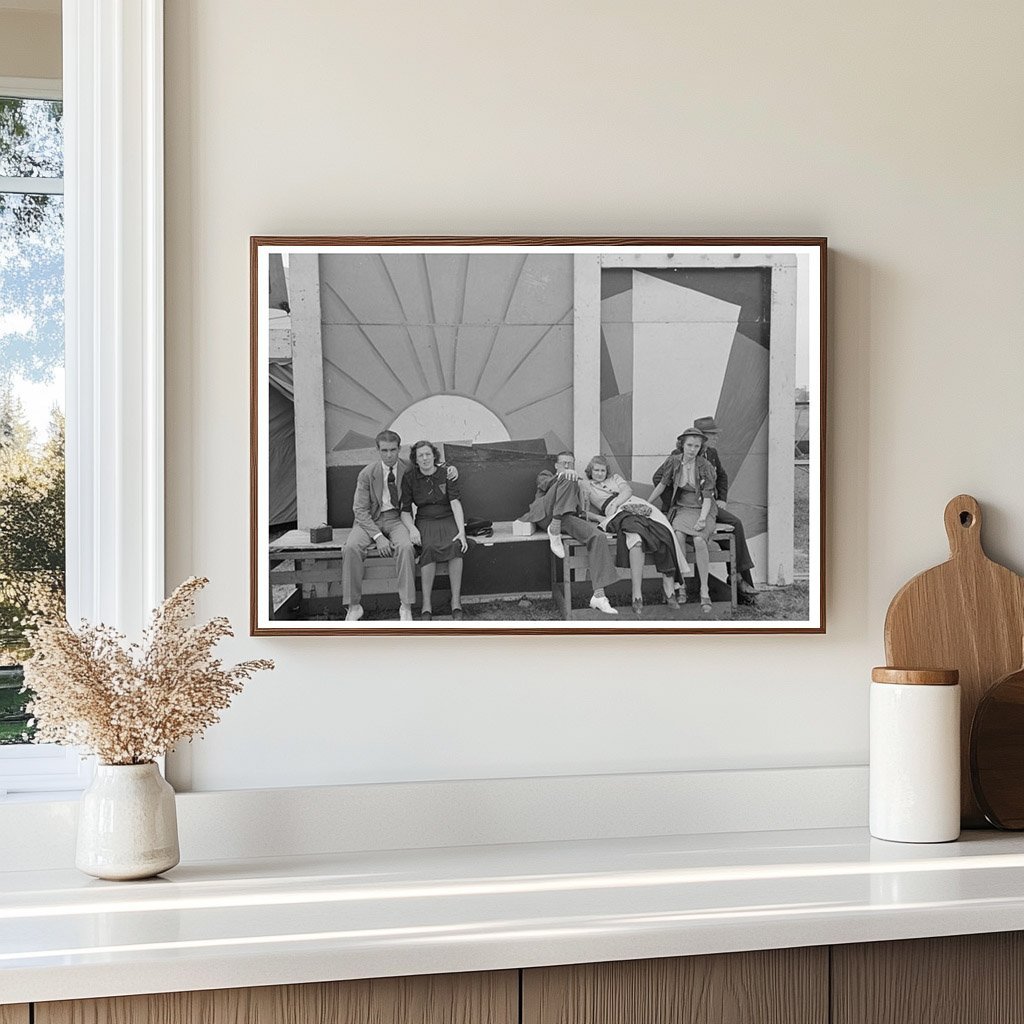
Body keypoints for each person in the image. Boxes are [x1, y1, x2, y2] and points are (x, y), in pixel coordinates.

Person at [343, 430, 457, 622]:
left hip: (397, 518)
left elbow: (428, 463)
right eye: (385, 450)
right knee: (351, 548)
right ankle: (354, 606)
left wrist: (451, 468)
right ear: (378, 450)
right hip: (369, 521)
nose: (389, 455)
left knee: (406, 548)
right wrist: (378, 537)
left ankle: (405, 606)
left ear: (399, 449)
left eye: (393, 450)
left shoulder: (408, 468)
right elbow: (360, 510)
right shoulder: (367, 474)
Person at [653, 415, 757, 599]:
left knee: (736, 524)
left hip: (708, 505)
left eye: (714, 435)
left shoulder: (712, 454)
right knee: (690, 534)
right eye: (712, 434)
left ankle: (740, 578)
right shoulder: (676, 457)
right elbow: (659, 479)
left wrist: (722, 498)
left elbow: (722, 477)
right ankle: (688, 585)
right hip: (686, 507)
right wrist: (672, 503)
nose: (715, 438)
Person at [581, 455, 688, 616]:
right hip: (615, 513)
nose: (599, 473)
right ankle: (637, 595)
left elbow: (627, 491)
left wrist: (617, 503)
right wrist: (600, 517)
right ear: (590, 471)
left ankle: (669, 587)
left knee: (664, 532)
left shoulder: (615, 478)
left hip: (634, 504)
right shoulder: (585, 485)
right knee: (636, 535)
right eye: (596, 470)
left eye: (602, 470)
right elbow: (582, 511)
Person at [519, 452, 620, 615]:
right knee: (567, 478)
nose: (567, 466)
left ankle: (599, 596)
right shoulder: (546, 475)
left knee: (598, 536)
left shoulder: (574, 483)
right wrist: (564, 475)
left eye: (570, 464)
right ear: (556, 465)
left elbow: (578, 511)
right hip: (546, 515)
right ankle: (555, 526)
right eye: (564, 463)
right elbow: (544, 484)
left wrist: (600, 518)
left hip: (565, 517)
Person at [647, 427, 718, 614]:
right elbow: (662, 485)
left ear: (700, 447)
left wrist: (703, 519)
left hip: (704, 508)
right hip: (683, 507)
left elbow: (708, 497)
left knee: (699, 540)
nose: (692, 449)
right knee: (678, 533)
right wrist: (647, 504)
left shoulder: (705, 466)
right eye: (689, 445)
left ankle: (705, 589)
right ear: (682, 445)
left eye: (696, 446)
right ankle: (681, 584)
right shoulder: (673, 462)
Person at [400, 439, 469, 621]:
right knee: (428, 547)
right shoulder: (409, 477)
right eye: (420, 455)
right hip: (425, 519)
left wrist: (461, 531)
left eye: (428, 454)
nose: (424, 458)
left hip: (447, 517)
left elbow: (455, 502)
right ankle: (426, 604)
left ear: (434, 456)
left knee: (455, 546)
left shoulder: (447, 473)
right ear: (415, 459)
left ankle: (456, 601)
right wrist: (412, 528)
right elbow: (405, 511)